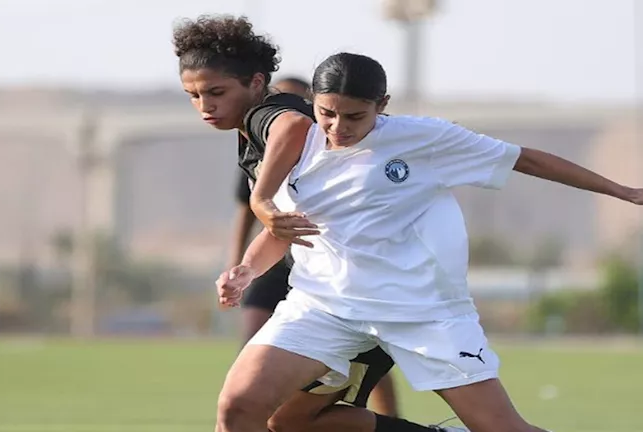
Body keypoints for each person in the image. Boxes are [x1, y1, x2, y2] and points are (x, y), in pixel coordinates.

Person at [215, 52, 643, 432]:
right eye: (327, 114)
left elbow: (527, 159)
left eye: (355, 117)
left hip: (421, 312)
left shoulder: (424, 139)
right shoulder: (296, 144)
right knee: (247, 411)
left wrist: (626, 191)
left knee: (501, 428)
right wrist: (247, 270)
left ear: (382, 105)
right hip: (323, 308)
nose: (338, 128)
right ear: (313, 103)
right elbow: (284, 227)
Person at [174, 15, 456, 432]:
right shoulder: (252, 130)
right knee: (281, 419)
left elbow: (292, 126)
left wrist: (260, 199)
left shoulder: (267, 114)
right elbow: (278, 216)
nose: (204, 105)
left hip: (368, 293)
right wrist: (244, 265)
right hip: (320, 280)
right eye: (193, 95)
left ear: (256, 83)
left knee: (265, 415)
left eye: (216, 92)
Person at [227, 75, 401, 419]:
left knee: (355, 359)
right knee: (253, 348)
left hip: (332, 265)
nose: (281, 117)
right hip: (278, 257)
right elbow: (249, 208)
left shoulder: (333, 147)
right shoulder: (259, 148)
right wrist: (238, 263)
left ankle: (387, 414)